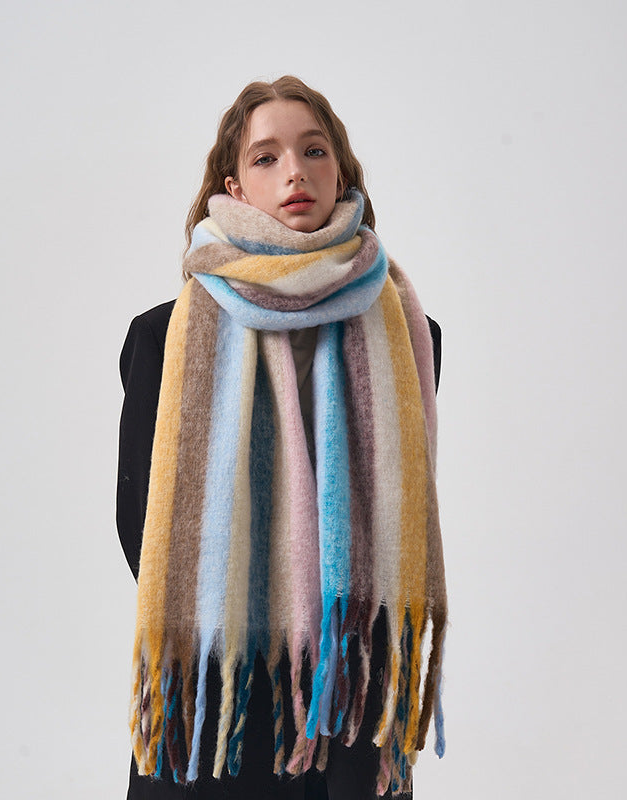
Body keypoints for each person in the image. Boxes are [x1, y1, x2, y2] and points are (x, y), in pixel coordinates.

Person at [116, 75, 447, 800]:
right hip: (218, 698)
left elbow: (404, 515)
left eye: (313, 151)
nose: (295, 171)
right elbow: (140, 524)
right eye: (266, 158)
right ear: (234, 188)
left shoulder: (410, 338)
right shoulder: (163, 337)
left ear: (341, 175)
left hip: (354, 691)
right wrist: (252, 611)